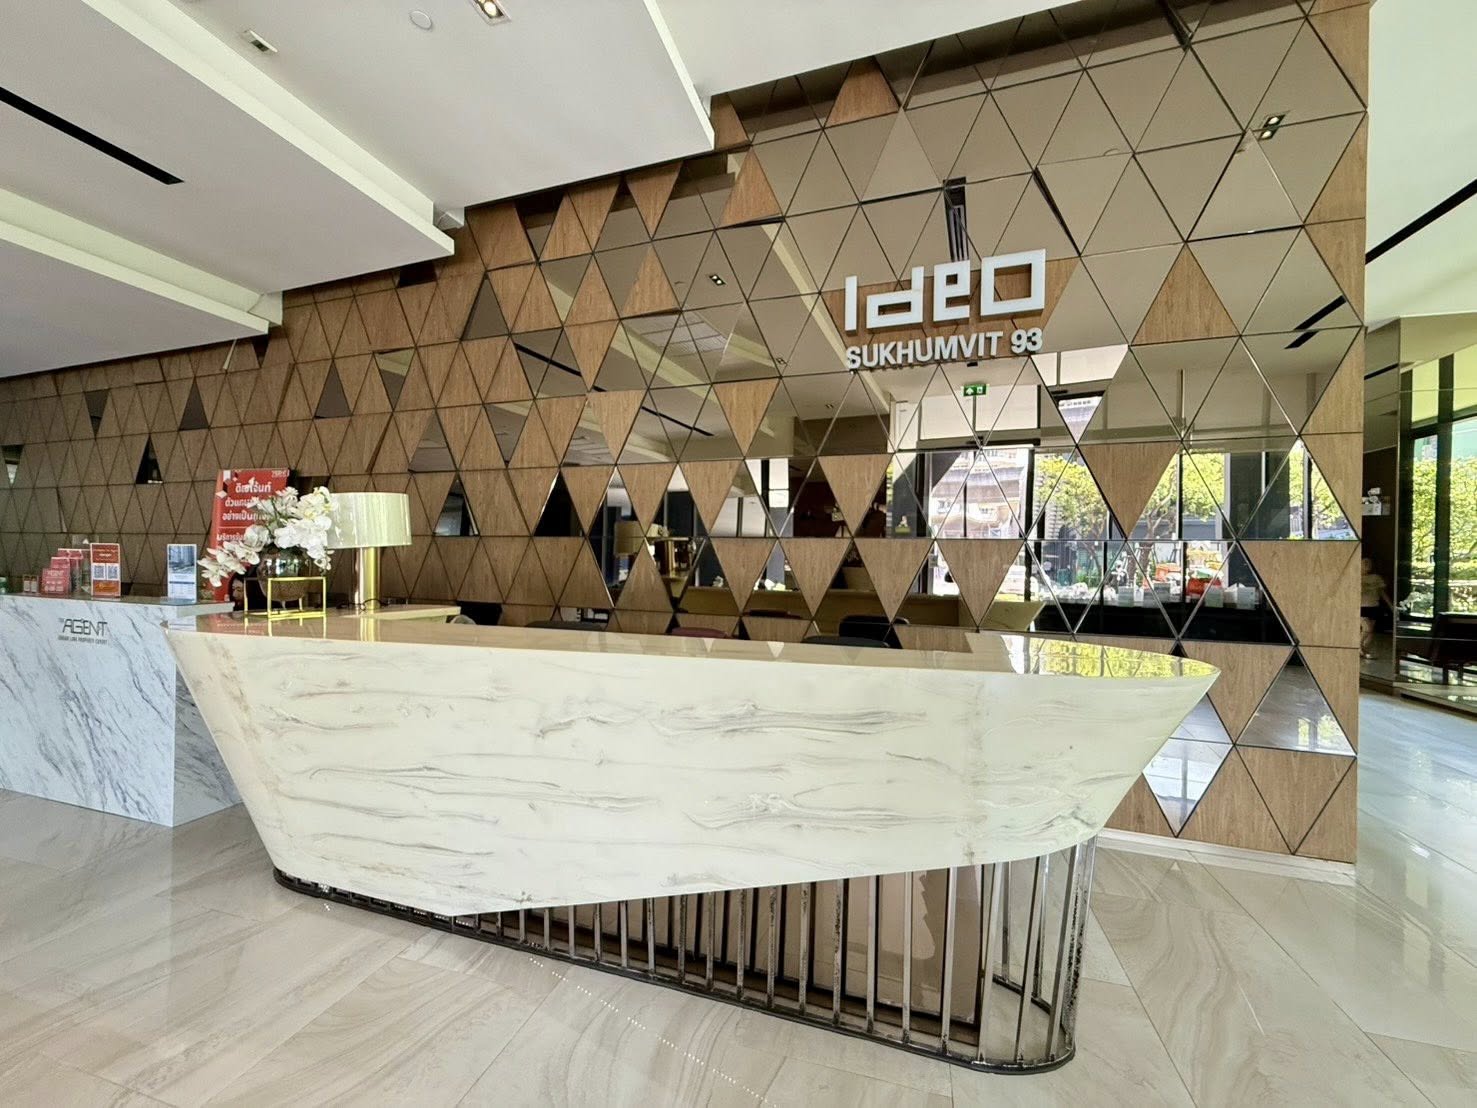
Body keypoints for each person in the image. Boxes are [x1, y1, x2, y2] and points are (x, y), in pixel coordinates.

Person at [1361, 556, 1394, 659]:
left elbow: (1382, 593)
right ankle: (1359, 647)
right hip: (1361, 606)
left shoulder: (1376, 578)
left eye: (1369, 563)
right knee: (1367, 628)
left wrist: (1391, 605)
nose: (1367, 565)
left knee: (1370, 631)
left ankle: (1363, 650)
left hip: (1374, 606)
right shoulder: (1355, 576)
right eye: (1364, 563)